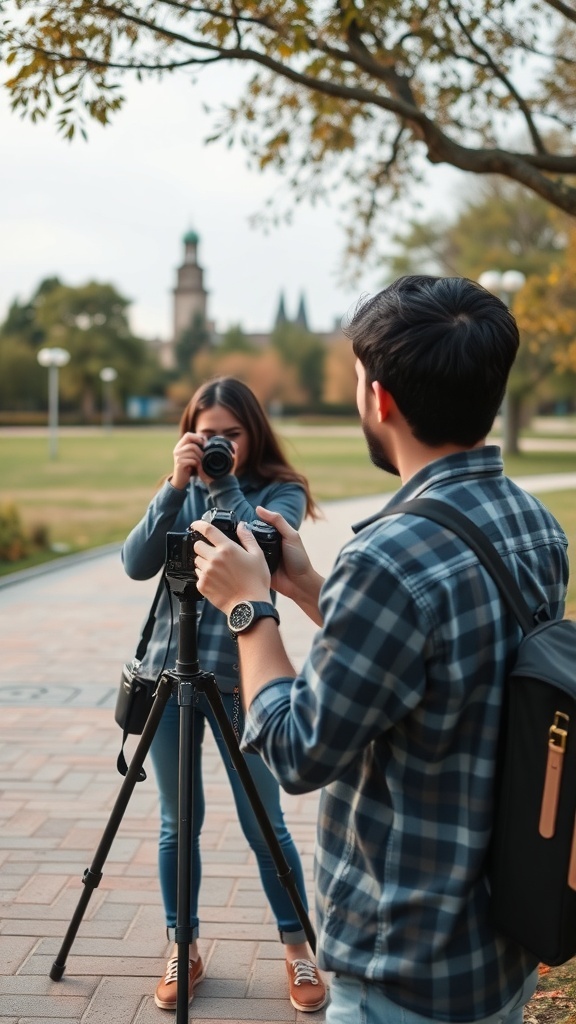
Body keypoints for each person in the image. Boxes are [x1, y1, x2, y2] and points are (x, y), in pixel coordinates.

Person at [191, 276, 570, 1024]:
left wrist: (247, 608)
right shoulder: (535, 522)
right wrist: (309, 590)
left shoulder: (389, 559)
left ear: (379, 399)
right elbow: (444, 658)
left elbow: (298, 752)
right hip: (501, 943)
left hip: (405, 968)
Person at [121, 376, 326, 1013]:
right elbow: (135, 562)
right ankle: (182, 948)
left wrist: (222, 483)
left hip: (246, 680)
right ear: (189, 433)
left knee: (264, 823)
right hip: (169, 672)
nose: (220, 447)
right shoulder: (180, 489)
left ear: (253, 434)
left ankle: (298, 952)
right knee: (177, 823)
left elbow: (255, 557)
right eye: (208, 436)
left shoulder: (279, 493)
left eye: (231, 436)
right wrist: (174, 486)